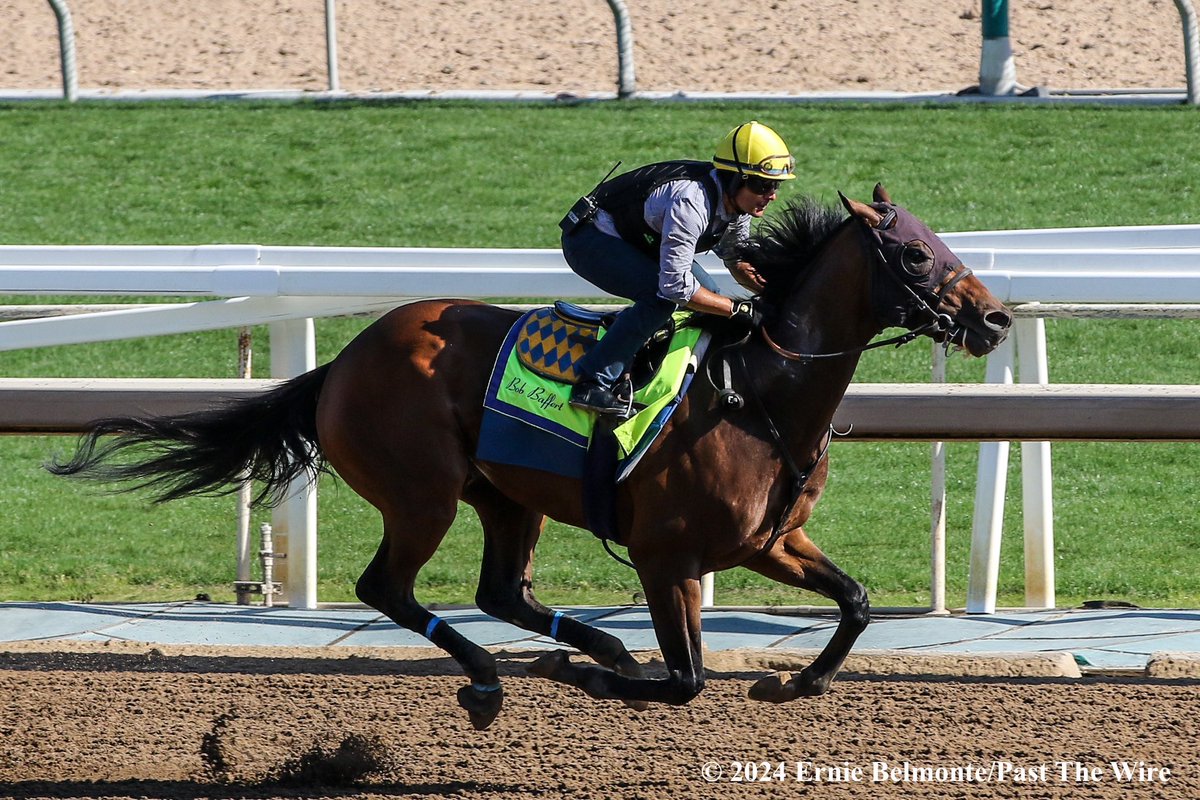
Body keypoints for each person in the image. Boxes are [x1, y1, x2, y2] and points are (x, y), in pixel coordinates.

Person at [560, 120, 796, 416]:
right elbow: (675, 287)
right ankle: (592, 383)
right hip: (589, 239)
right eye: (762, 185)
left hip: (634, 239)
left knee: (712, 295)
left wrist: (777, 296)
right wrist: (739, 310)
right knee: (660, 300)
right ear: (735, 179)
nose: (771, 195)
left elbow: (737, 261)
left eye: (775, 185)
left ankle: (643, 344)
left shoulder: (738, 206)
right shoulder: (690, 202)